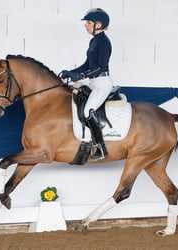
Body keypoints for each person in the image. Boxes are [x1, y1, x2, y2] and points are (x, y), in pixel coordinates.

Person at [60, 8, 112, 161]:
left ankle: (100, 147)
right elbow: (87, 64)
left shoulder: (104, 42)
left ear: (99, 24)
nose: (86, 26)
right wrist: (71, 72)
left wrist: (81, 75)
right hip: (93, 82)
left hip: (102, 83)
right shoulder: (94, 41)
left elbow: (101, 66)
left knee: (88, 111)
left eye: (88, 23)